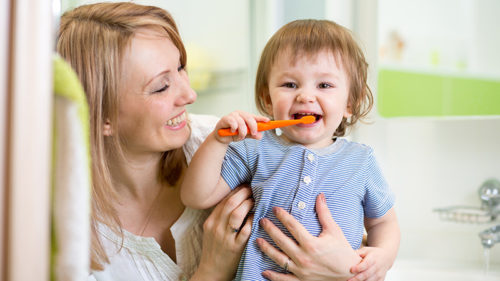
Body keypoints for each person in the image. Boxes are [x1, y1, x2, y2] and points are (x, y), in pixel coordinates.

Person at [57, 3, 365, 281]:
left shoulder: (230, 145)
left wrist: (346, 270)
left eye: (181, 69)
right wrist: (212, 271)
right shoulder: (62, 230)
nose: (189, 95)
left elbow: (348, 235)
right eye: (161, 87)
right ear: (101, 117)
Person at [181, 19, 400, 281]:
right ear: (267, 99)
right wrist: (217, 140)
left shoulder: (361, 161)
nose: (305, 96)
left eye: (324, 85)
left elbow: (383, 223)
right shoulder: (255, 149)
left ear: (350, 103)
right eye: (290, 85)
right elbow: (196, 196)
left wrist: (382, 257)